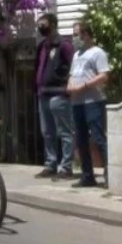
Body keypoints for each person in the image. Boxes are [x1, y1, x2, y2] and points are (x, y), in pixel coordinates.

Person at [66, 21, 111, 188]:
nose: (74, 38)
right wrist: (70, 85)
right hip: (77, 103)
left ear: (86, 35)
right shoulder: (76, 55)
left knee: (99, 138)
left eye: (76, 35)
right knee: (81, 139)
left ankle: (110, 174)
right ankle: (87, 176)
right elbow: (72, 74)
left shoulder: (97, 53)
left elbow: (104, 76)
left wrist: (84, 86)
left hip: (93, 101)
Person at [35, 13, 75, 179]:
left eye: (43, 23)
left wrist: (68, 87)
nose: (40, 27)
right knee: (47, 132)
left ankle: (66, 167)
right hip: (43, 94)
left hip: (59, 93)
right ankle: (50, 164)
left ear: (53, 24)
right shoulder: (42, 45)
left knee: (64, 132)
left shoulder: (64, 45)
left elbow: (74, 66)